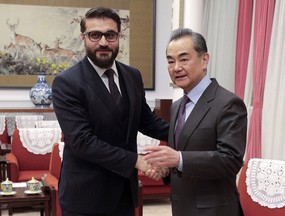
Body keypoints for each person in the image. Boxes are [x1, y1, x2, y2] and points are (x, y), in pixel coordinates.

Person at [52, 7, 169, 216]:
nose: (104, 42)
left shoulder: (133, 76)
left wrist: (189, 131)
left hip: (124, 192)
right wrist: (136, 161)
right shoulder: (67, 82)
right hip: (86, 197)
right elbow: (82, 142)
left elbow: (147, 122)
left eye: (110, 35)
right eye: (95, 35)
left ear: (119, 36)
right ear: (83, 38)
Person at [144, 28, 247, 216]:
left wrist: (179, 159)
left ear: (204, 59)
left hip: (215, 211)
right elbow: (185, 155)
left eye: (184, 59)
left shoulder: (228, 103)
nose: (176, 67)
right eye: (170, 61)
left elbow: (231, 160)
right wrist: (166, 168)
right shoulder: (176, 107)